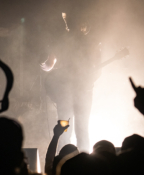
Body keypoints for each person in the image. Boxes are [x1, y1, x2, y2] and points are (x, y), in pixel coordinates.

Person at [41, 14, 102, 152]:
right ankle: (85, 163)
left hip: (66, 92)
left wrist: (46, 66)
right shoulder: (92, 43)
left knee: (64, 128)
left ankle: (64, 163)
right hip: (82, 91)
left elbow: (49, 64)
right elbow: (98, 70)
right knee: (82, 129)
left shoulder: (61, 41)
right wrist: (88, 80)